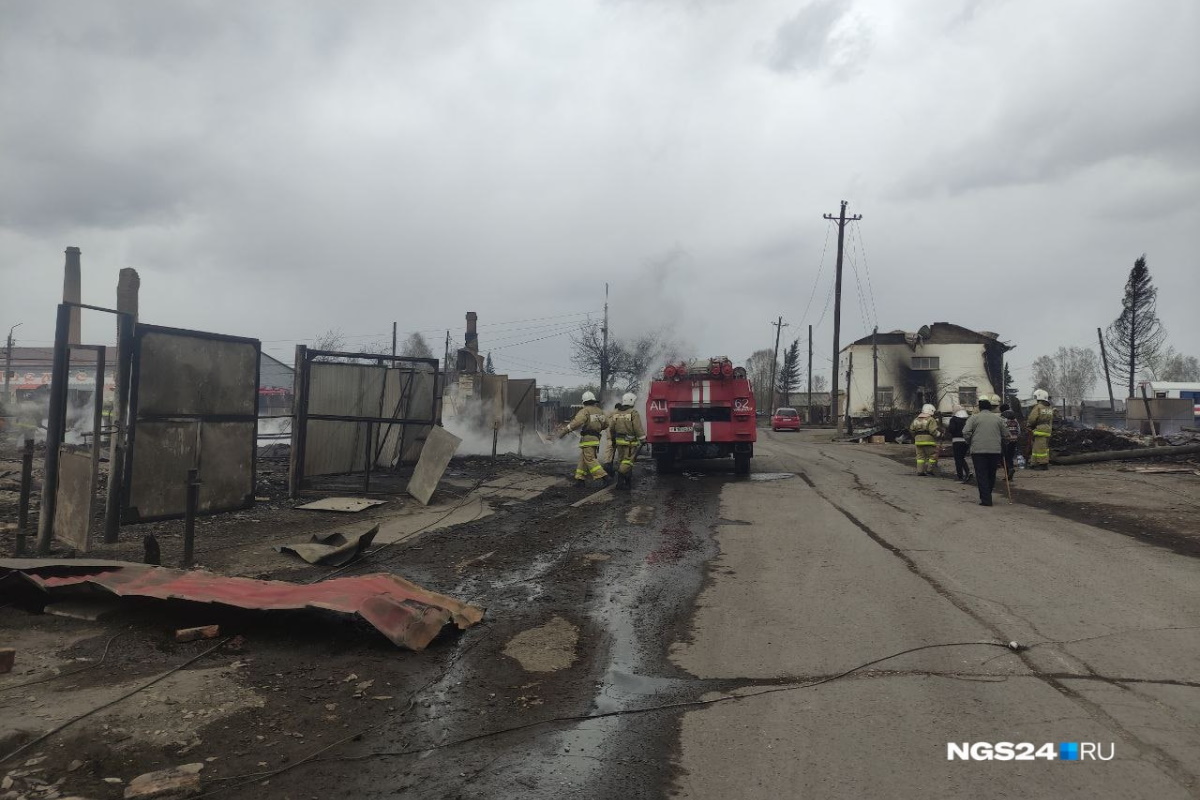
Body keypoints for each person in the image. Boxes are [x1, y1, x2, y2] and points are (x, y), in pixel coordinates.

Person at [963, 396, 1008, 506]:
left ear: (979, 408)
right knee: (991, 474)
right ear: (990, 408)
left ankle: (986, 499)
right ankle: (988, 494)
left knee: (981, 474)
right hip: (995, 450)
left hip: (978, 451)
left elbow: (966, 432)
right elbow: (1006, 434)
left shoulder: (973, 418)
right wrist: (1003, 443)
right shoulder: (998, 419)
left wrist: (970, 441)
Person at [560, 391, 610, 487]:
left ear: (584, 401)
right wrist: (597, 428)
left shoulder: (585, 411)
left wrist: (565, 431)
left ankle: (605, 477)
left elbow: (577, 422)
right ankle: (580, 480)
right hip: (596, 437)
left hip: (588, 439)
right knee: (583, 459)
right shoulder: (600, 411)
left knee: (590, 459)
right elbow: (606, 424)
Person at [607, 392, 645, 490]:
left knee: (621, 461)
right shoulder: (633, 413)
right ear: (631, 401)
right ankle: (620, 478)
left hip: (619, 442)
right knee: (628, 462)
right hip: (630, 443)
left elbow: (611, 428)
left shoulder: (617, 413)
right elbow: (637, 427)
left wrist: (613, 439)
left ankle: (624, 483)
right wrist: (643, 438)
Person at [1026, 388, 1054, 470]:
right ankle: (1034, 463)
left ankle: (1043, 464)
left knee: (1040, 448)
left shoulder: (1038, 407)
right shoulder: (1049, 408)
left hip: (1040, 429)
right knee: (1038, 447)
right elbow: (1051, 419)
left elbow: (1032, 418)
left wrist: (1029, 425)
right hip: (1047, 429)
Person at [947, 406, 972, 483]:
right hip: (966, 441)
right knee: (962, 457)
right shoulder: (968, 419)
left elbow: (951, 429)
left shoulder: (953, 419)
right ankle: (967, 472)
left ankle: (960, 475)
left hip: (956, 440)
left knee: (958, 458)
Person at [1000, 402, 1021, 481]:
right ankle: (1010, 471)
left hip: (1005, 440)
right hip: (1014, 440)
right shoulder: (1014, 418)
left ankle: (1008, 471)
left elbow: (1002, 429)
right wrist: (1016, 437)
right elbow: (1019, 430)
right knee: (1010, 457)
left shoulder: (1002, 418)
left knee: (1003, 457)